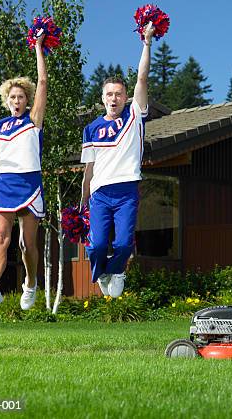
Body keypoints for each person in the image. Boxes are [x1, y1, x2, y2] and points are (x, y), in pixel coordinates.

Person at [80, 23, 154, 297]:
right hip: (99, 194)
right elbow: (89, 167)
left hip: (126, 191)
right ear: (102, 98)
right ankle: (101, 271)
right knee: (97, 246)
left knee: (123, 245)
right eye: (109, 94)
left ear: (127, 97)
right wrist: (83, 197)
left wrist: (146, 43)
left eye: (119, 94)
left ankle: (117, 270)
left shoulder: (134, 116)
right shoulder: (91, 129)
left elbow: (143, 79)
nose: (114, 98)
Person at [0, 33, 47, 310]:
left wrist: (37, 47)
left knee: (26, 245)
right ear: (7, 100)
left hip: (30, 184)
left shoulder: (34, 120)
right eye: (13, 97)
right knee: (0, 238)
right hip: (4, 186)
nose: (17, 101)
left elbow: (43, 81)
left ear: (27, 100)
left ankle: (31, 283)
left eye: (21, 97)